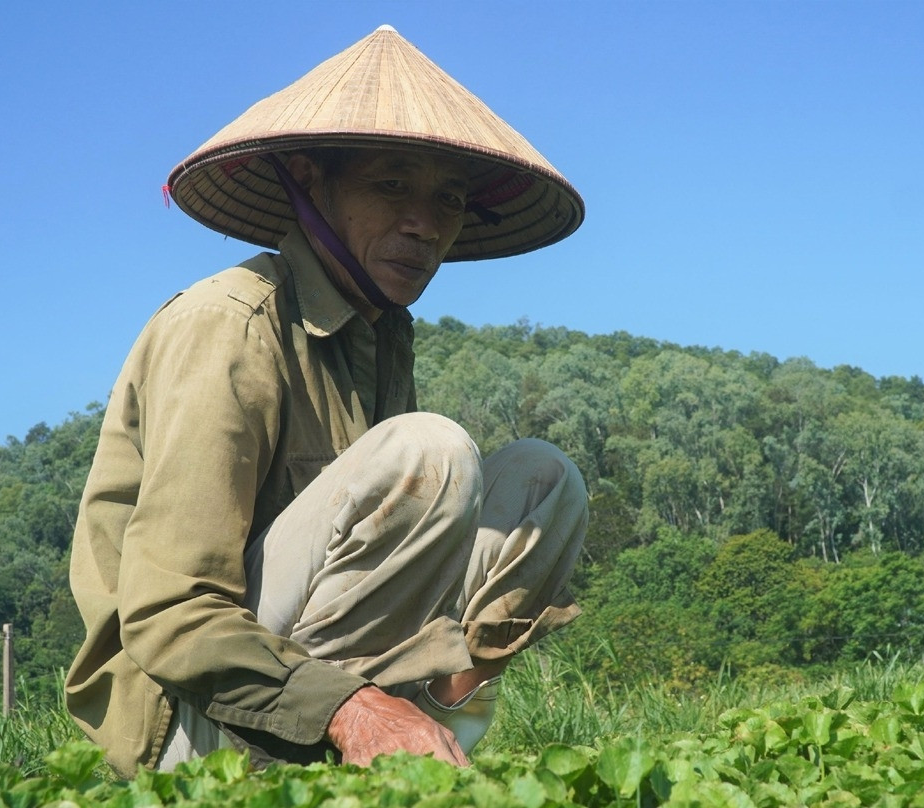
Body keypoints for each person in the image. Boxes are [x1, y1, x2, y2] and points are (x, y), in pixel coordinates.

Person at [64, 25, 587, 778]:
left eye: (448, 200)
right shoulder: (229, 324)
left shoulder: (378, 337)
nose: (425, 224)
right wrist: (347, 706)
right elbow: (171, 612)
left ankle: (434, 738)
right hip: (191, 723)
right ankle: (344, 745)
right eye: (391, 185)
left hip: (333, 676)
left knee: (543, 479)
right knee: (429, 453)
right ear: (309, 180)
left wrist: (424, 684)